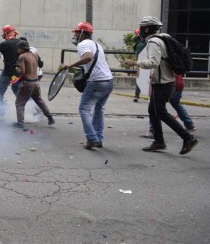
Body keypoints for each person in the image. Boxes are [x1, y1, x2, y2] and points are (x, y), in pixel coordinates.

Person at [125, 16, 198, 155]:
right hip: (166, 81)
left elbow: (153, 62)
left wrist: (134, 63)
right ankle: (159, 142)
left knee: (161, 112)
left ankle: (188, 137)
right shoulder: (164, 37)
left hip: (163, 83)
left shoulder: (153, 42)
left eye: (142, 28)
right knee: (153, 111)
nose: (140, 30)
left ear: (146, 29)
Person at [66, 22, 114, 150]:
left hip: (97, 82)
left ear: (81, 33)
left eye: (76, 32)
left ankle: (92, 138)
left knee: (84, 109)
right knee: (99, 109)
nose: (75, 35)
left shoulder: (83, 44)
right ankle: (98, 138)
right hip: (108, 81)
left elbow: (88, 57)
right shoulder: (97, 44)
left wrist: (71, 65)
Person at [12, 40, 55, 129]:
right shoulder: (34, 54)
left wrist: (17, 69)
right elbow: (40, 64)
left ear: (22, 48)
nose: (18, 50)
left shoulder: (22, 56)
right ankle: (50, 117)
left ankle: (20, 123)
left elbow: (23, 72)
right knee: (39, 100)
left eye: (18, 49)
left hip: (27, 83)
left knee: (19, 103)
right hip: (36, 82)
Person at [132, 28, 146, 102]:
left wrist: (137, 65)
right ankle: (136, 96)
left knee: (140, 79)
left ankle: (136, 96)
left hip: (141, 64)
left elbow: (138, 56)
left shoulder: (140, 44)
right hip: (144, 63)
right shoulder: (143, 43)